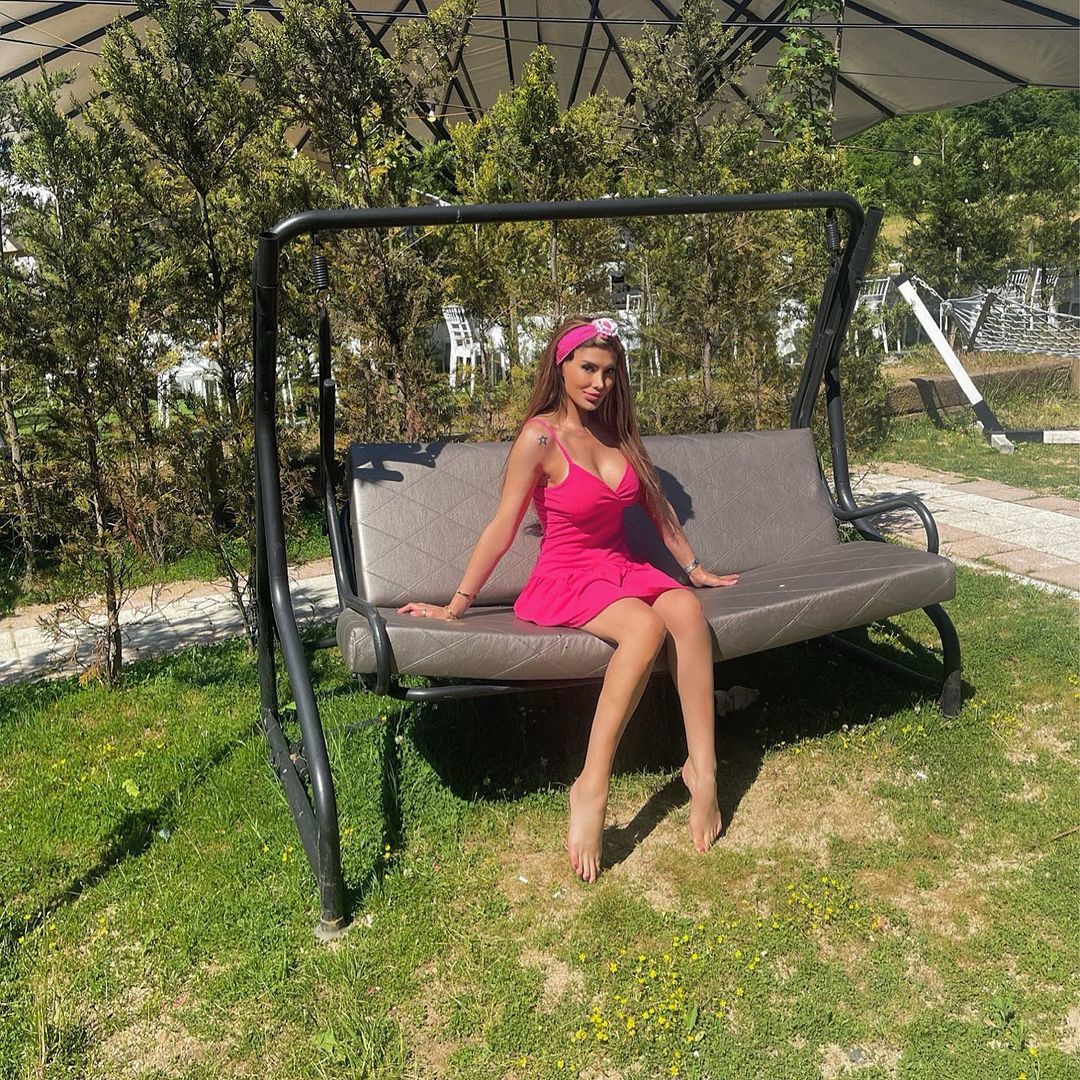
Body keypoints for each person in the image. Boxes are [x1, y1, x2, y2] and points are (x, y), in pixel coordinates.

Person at [398, 315, 739, 883]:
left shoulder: (617, 433)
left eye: (609, 372)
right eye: (588, 368)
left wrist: (694, 569)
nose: (599, 382)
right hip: (567, 576)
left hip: (620, 567)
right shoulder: (539, 437)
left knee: (685, 609)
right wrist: (456, 604)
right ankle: (592, 785)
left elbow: (658, 508)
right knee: (645, 628)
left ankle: (702, 772)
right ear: (561, 367)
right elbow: (503, 525)